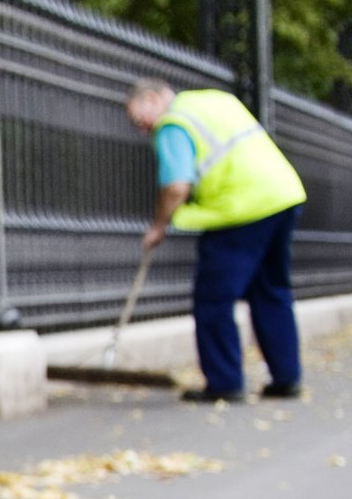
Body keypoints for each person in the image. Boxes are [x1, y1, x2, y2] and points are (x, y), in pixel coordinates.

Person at [126, 80, 309, 401]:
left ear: (153, 98)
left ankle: (224, 383)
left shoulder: (174, 123)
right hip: (283, 194)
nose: (141, 128)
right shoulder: (212, 101)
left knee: (214, 298)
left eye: (137, 117)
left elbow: (176, 187)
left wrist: (158, 226)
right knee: (271, 290)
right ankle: (286, 377)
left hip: (240, 208)